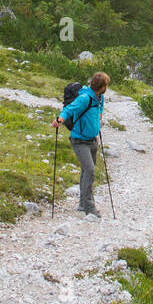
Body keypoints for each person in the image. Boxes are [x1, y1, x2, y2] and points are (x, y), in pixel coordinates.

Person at [52, 71, 109, 217]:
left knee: (86, 171)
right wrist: (60, 120)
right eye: (105, 85)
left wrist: (99, 121)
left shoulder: (99, 97)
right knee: (90, 170)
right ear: (102, 86)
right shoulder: (84, 98)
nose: (106, 88)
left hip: (92, 140)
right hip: (79, 140)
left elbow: (100, 110)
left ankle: (83, 204)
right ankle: (89, 206)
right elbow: (69, 109)